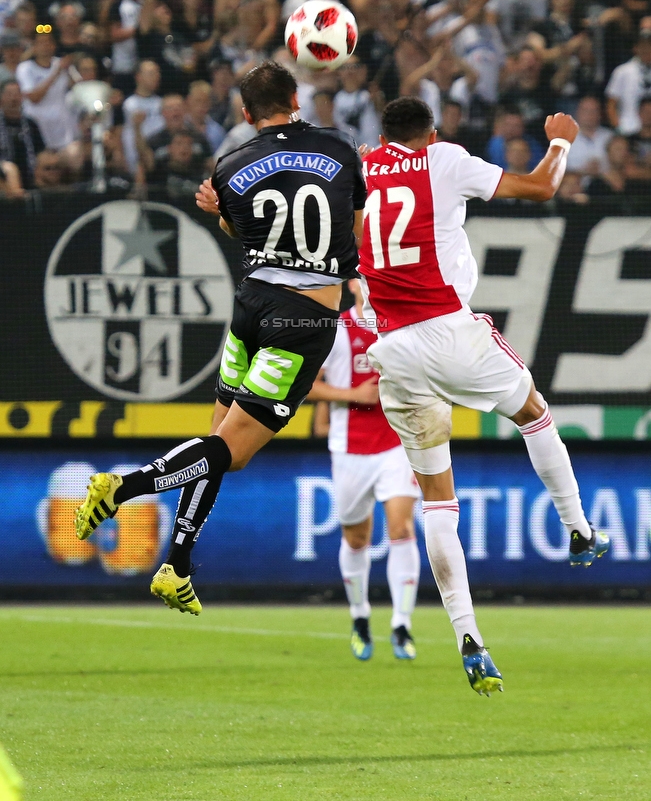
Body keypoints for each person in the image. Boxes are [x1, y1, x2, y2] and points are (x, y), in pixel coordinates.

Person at [74, 60, 367, 618]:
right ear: (296, 99)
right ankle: (122, 489)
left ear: (245, 113)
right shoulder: (340, 149)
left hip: (252, 305)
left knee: (214, 448)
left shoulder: (232, 164)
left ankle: (176, 565)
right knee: (230, 453)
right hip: (303, 318)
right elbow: (350, 228)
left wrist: (219, 215)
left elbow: (242, 228)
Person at [358, 97, 610, 695]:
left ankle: (468, 636)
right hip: (447, 328)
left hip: (392, 348)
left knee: (438, 499)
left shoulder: (360, 171)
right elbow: (542, 187)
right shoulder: (442, 159)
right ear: (431, 133)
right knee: (534, 413)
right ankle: (577, 528)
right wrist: (562, 142)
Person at [307, 279, 421, 662]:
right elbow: (303, 383)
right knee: (357, 538)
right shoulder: (337, 330)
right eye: (364, 278)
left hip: (396, 445)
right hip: (350, 449)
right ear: (352, 285)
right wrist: (352, 395)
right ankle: (360, 617)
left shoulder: (404, 328)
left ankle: (402, 625)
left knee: (402, 527)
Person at [16, 25, 76, 149]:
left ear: (54, 45)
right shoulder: (25, 68)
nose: (45, 46)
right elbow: (34, 97)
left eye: (48, 42)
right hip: (36, 125)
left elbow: (77, 88)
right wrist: (55, 73)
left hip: (61, 126)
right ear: (34, 47)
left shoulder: (62, 64)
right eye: (41, 43)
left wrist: (70, 71)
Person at [0, 78, 45, 188]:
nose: (13, 99)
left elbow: (41, 152)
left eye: (16, 94)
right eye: (9, 94)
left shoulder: (31, 124)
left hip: (30, 169)